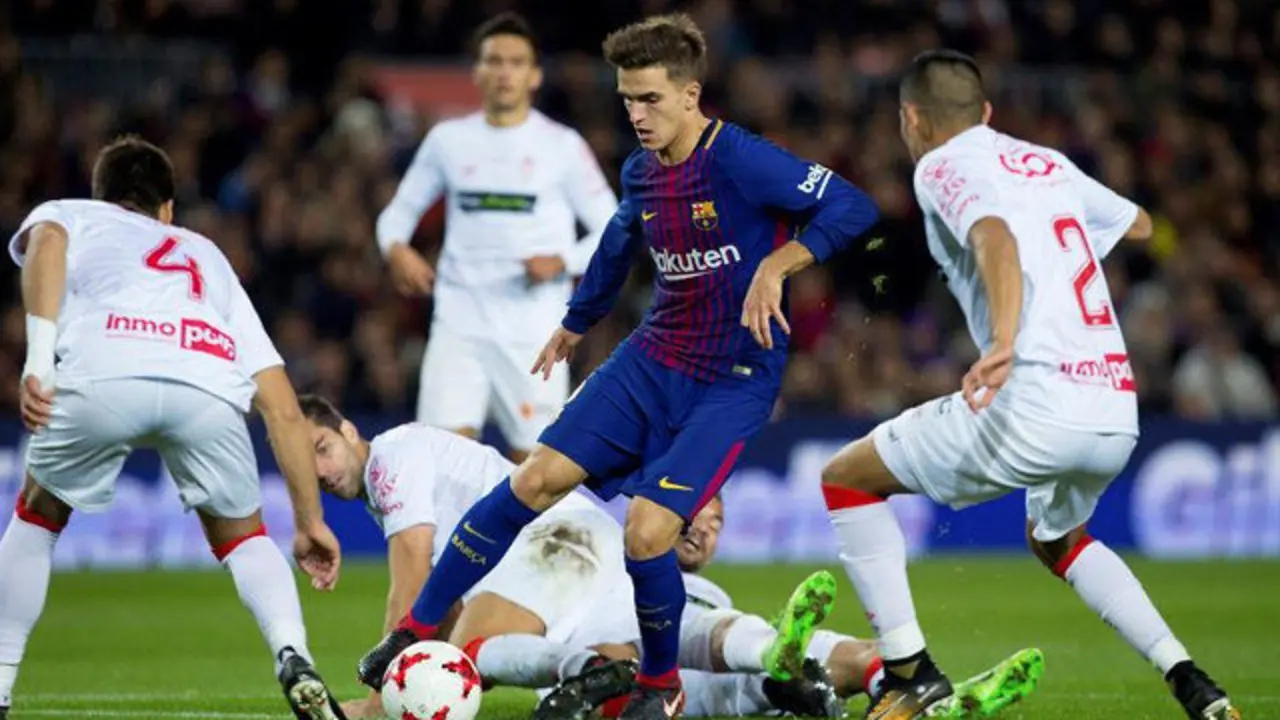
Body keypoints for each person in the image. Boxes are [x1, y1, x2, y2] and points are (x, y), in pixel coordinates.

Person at [355, 13, 881, 719]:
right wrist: (576, 322)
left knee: (647, 531)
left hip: (732, 377)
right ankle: (413, 632)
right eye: (628, 99)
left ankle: (660, 687)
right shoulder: (641, 169)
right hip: (653, 355)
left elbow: (854, 205)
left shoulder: (741, 159)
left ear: (691, 95)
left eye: (651, 99)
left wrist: (781, 264)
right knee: (533, 479)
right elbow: (616, 241)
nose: (637, 114)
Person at [816, 50, 1241, 720]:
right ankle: (1191, 680)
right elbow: (1140, 225)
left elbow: (994, 238)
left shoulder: (940, 164)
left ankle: (908, 673)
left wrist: (1006, 341)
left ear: (911, 119)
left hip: (1035, 402)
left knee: (846, 477)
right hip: (1112, 406)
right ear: (986, 113)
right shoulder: (1046, 162)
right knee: (1057, 538)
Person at [0, 137, 346, 720]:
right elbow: (283, 408)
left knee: (37, 519)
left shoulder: (72, 214)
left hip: (106, 370)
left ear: (103, 196)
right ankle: (294, 653)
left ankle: (1, 679)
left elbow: (47, 243)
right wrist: (310, 522)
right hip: (204, 382)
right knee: (244, 539)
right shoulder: (206, 254)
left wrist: (37, 361)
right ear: (167, 209)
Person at [296, 395, 832, 719]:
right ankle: (769, 674)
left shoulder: (389, 459)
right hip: (590, 543)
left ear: (348, 431)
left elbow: (411, 574)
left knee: (469, 659)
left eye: (321, 447)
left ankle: (588, 667)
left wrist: (385, 689)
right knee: (635, 690)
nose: (320, 470)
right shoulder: (397, 473)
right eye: (305, 463)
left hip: (553, 539)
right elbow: (446, 591)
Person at [375, 12, 618, 463]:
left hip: (534, 331)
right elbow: (395, 216)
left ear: (535, 74)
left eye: (516, 62)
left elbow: (613, 225)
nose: (504, 71)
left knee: (534, 469)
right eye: (494, 61)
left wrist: (563, 261)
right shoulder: (448, 140)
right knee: (443, 460)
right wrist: (397, 250)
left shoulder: (561, 146)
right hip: (458, 324)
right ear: (477, 72)